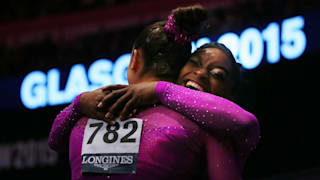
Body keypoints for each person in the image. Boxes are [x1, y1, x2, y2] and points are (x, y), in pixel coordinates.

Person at [49, 5, 259, 180]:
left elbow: (55, 141)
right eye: (194, 63)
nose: (200, 74)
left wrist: (159, 90)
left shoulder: (84, 120)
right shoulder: (200, 129)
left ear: (134, 59)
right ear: (179, 70)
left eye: (217, 74)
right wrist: (79, 102)